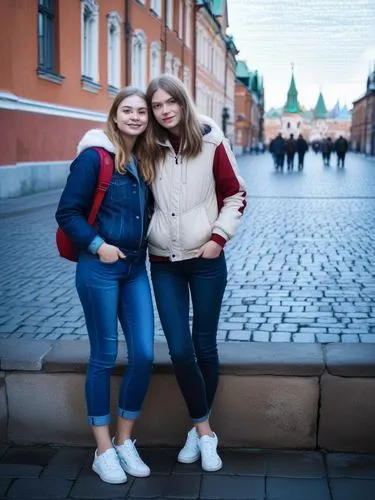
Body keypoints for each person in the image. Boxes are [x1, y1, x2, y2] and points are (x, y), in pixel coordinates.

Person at [144, 74, 246, 473]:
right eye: (157, 105)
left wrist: (218, 237)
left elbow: (236, 192)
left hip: (205, 259)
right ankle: (205, 431)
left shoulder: (210, 139)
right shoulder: (147, 147)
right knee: (180, 349)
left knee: (204, 345)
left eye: (171, 102)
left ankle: (196, 431)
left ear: (183, 103)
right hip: (163, 261)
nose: (165, 110)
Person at [55, 87, 155, 484]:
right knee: (104, 355)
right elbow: (67, 212)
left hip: (135, 270)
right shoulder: (94, 158)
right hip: (98, 268)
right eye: (127, 110)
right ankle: (102, 449)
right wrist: (98, 245)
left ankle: (124, 441)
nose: (135, 117)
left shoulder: (148, 159)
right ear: (115, 116)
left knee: (145, 354)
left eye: (141, 112)